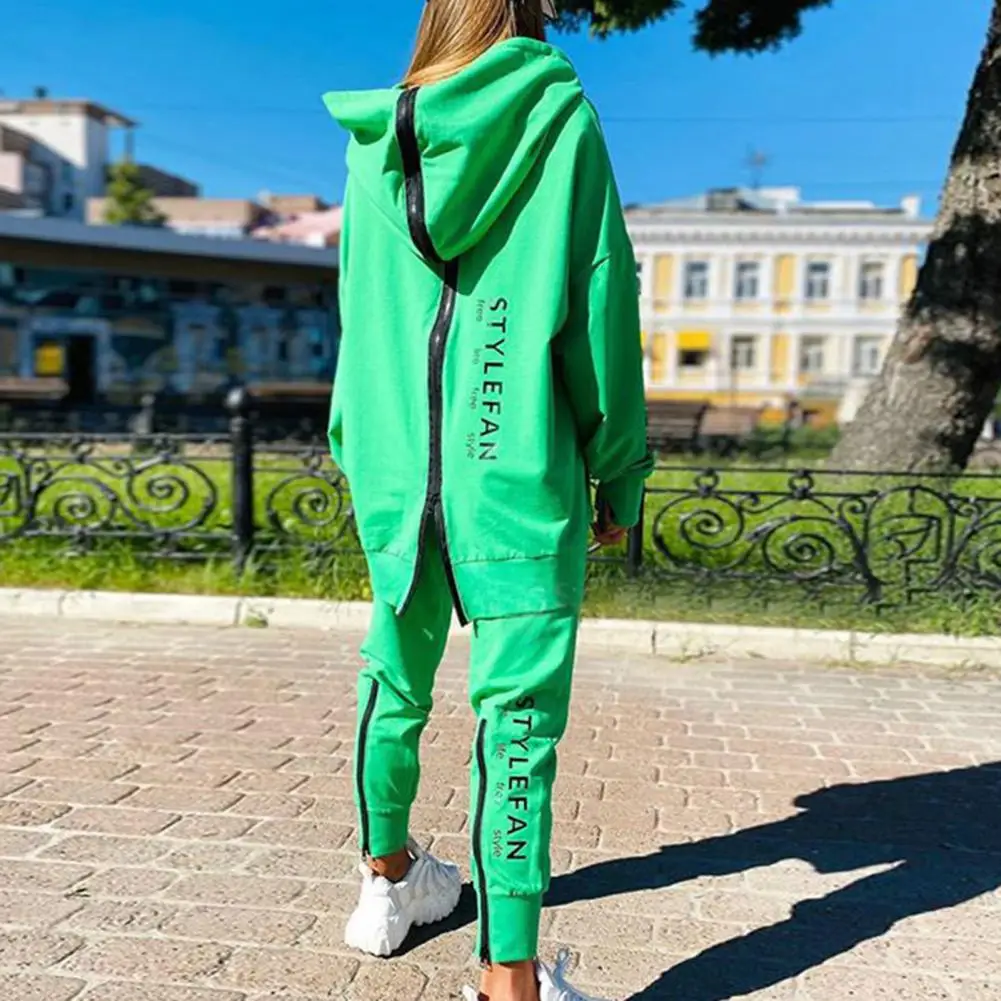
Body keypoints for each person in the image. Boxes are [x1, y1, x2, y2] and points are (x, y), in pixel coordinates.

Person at [323, 0, 651, 998]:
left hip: (393, 462)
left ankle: (387, 882)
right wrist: (618, 468)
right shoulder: (558, 115)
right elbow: (600, 296)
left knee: (393, 674)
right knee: (518, 718)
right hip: (513, 465)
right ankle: (508, 978)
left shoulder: (376, 142)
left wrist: (356, 445)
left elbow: (356, 307)